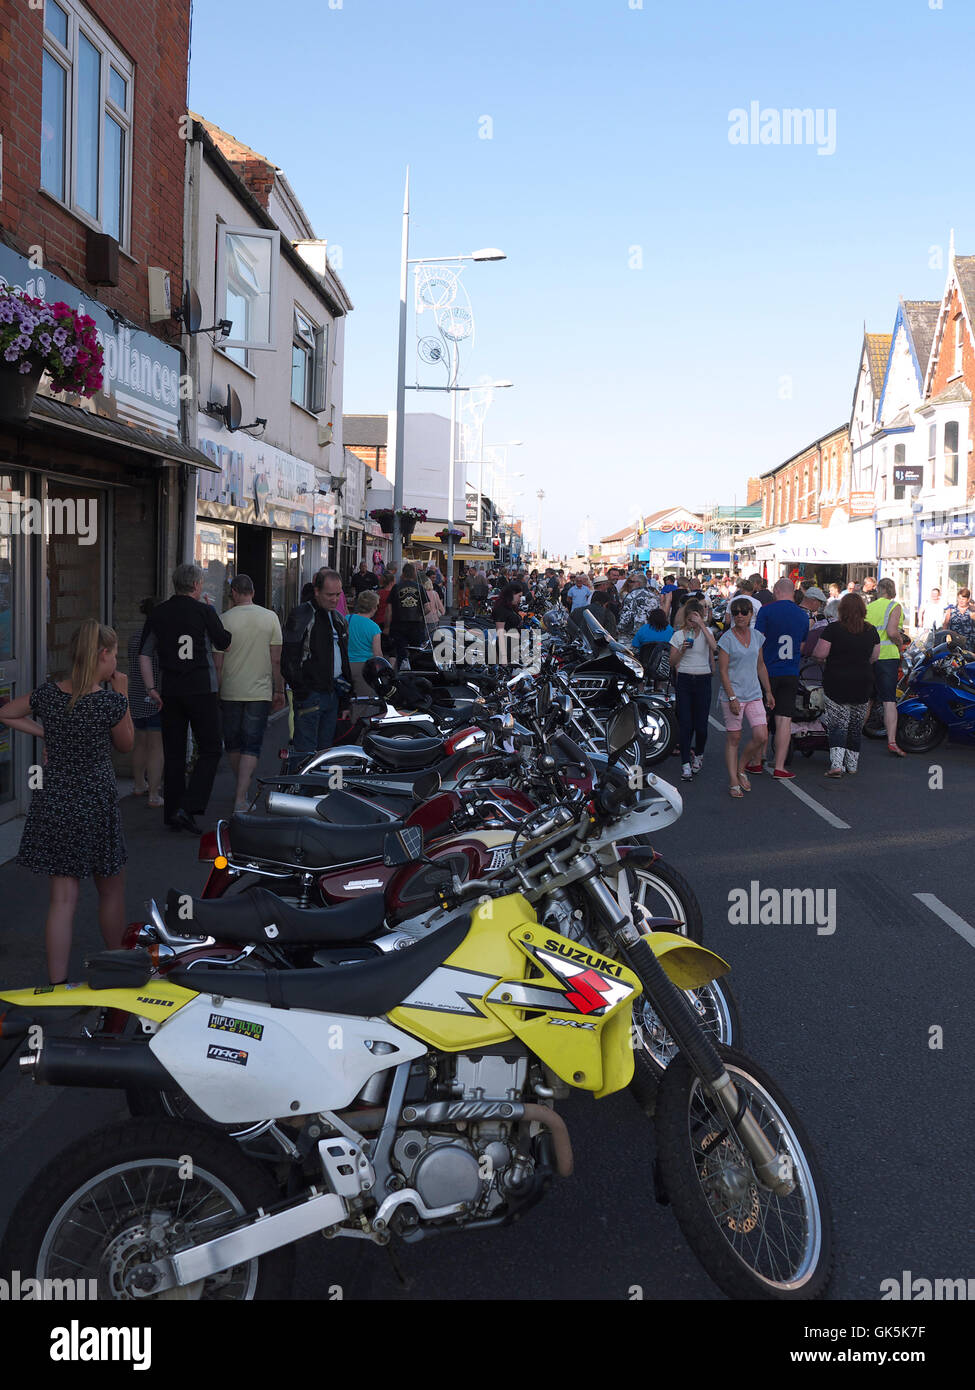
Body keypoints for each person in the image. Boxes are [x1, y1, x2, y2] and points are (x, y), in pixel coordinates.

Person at [0, 619, 134, 983]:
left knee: (62, 899)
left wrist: (45, 729)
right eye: (114, 655)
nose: (115, 664)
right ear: (102, 655)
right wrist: (123, 696)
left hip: (56, 799)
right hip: (96, 801)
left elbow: (6, 713)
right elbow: (126, 745)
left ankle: (56, 984)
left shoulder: (48, 694)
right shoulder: (109, 701)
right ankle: (117, 966)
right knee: (110, 887)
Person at [139, 562, 231, 834]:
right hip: (202, 687)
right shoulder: (204, 611)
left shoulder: (158, 613)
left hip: (171, 689)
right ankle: (189, 805)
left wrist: (150, 688)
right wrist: (211, 610)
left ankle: (173, 812)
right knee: (211, 748)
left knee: (175, 752)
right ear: (196, 585)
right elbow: (224, 642)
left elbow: (145, 653)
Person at [214, 573, 284, 812]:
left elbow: (218, 663)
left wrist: (220, 687)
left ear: (233, 593)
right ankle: (241, 797)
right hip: (260, 691)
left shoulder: (223, 619)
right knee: (251, 745)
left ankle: (240, 791)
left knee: (233, 744)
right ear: (253, 592)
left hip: (231, 690)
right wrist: (279, 689)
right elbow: (277, 660)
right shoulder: (270, 618)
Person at [281, 569, 353, 754]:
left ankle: (316, 783)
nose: (334, 599)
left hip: (332, 694)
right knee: (306, 754)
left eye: (338, 594)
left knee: (325, 754)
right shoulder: (303, 614)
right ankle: (301, 784)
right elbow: (289, 657)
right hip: (311, 695)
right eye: (330, 595)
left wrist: (345, 699)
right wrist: (302, 690)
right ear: (317, 591)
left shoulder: (337, 618)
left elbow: (343, 657)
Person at [813, 593, 880, 777]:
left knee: (837, 724)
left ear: (842, 610)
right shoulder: (871, 631)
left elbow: (820, 654)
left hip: (837, 682)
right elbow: (874, 657)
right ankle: (852, 764)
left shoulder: (833, 629)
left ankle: (836, 765)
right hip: (863, 682)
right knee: (855, 725)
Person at [754, 578, 811, 779]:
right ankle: (779, 766)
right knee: (784, 719)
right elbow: (802, 646)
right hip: (790, 671)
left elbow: (757, 642)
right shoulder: (803, 615)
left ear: (776, 591)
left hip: (768, 671)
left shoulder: (766, 611)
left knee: (763, 715)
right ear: (793, 593)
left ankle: (758, 758)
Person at [717, 598, 774, 798]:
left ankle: (742, 767)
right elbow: (722, 671)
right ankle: (733, 780)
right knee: (734, 737)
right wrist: (732, 697)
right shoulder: (726, 639)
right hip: (733, 694)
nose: (740, 615)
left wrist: (768, 691)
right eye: (736, 612)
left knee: (761, 736)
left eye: (744, 612)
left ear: (751, 614)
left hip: (754, 693)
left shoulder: (757, 636)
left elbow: (760, 665)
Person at [669, 599, 717, 781]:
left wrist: (702, 625)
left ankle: (699, 755)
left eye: (695, 620)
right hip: (685, 680)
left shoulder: (706, 633)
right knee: (686, 724)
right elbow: (672, 662)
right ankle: (685, 765)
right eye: (690, 620)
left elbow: (714, 647)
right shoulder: (679, 635)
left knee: (702, 726)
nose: (692, 624)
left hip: (703, 680)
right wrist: (682, 650)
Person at [127, 596, 163, 807]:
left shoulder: (134, 637)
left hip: (136, 694)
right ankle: (154, 794)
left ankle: (139, 784)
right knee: (156, 746)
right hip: (155, 694)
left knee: (140, 742)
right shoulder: (159, 638)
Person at [865, 577, 906, 757]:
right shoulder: (894, 606)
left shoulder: (869, 607)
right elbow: (892, 632)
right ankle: (892, 741)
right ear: (892, 590)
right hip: (887, 657)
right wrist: (900, 643)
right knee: (889, 700)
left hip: (868, 657)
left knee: (867, 699)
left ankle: (851, 739)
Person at [387, 563, 428, 666]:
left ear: (403, 573)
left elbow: (389, 610)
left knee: (401, 653)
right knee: (416, 653)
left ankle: (402, 674)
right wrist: (419, 614)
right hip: (416, 626)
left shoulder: (396, 587)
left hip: (398, 625)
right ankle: (415, 673)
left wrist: (387, 626)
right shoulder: (420, 587)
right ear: (414, 574)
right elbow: (428, 608)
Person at [348, 590, 384, 696]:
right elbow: (377, 654)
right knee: (364, 702)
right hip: (364, 667)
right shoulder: (374, 627)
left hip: (345, 665)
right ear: (373, 608)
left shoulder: (347, 619)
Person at [617, 570, 659, 641]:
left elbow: (627, 615)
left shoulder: (632, 596)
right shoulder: (653, 596)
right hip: (649, 632)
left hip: (633, 634)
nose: (630, 584)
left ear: (638, 584)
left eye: (632, 582)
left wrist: (620, 628)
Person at [492, 582, 524, 664]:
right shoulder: (501, 609)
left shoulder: (510, 607)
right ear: (512, 594)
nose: (520, 600)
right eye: (519, 596)